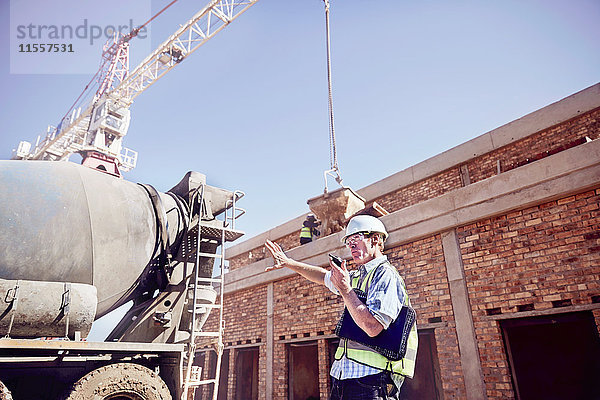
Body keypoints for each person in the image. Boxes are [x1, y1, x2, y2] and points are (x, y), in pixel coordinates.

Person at [265, 215, 417, 400]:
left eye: (356, 239)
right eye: (348, 242)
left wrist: (346, 290)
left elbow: (373, 326)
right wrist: (289, 263)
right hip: (343, 379)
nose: (351, 246)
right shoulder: (355, 276)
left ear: (375, 239)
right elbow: (322, 276)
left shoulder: (385, 274)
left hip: (373, 380)